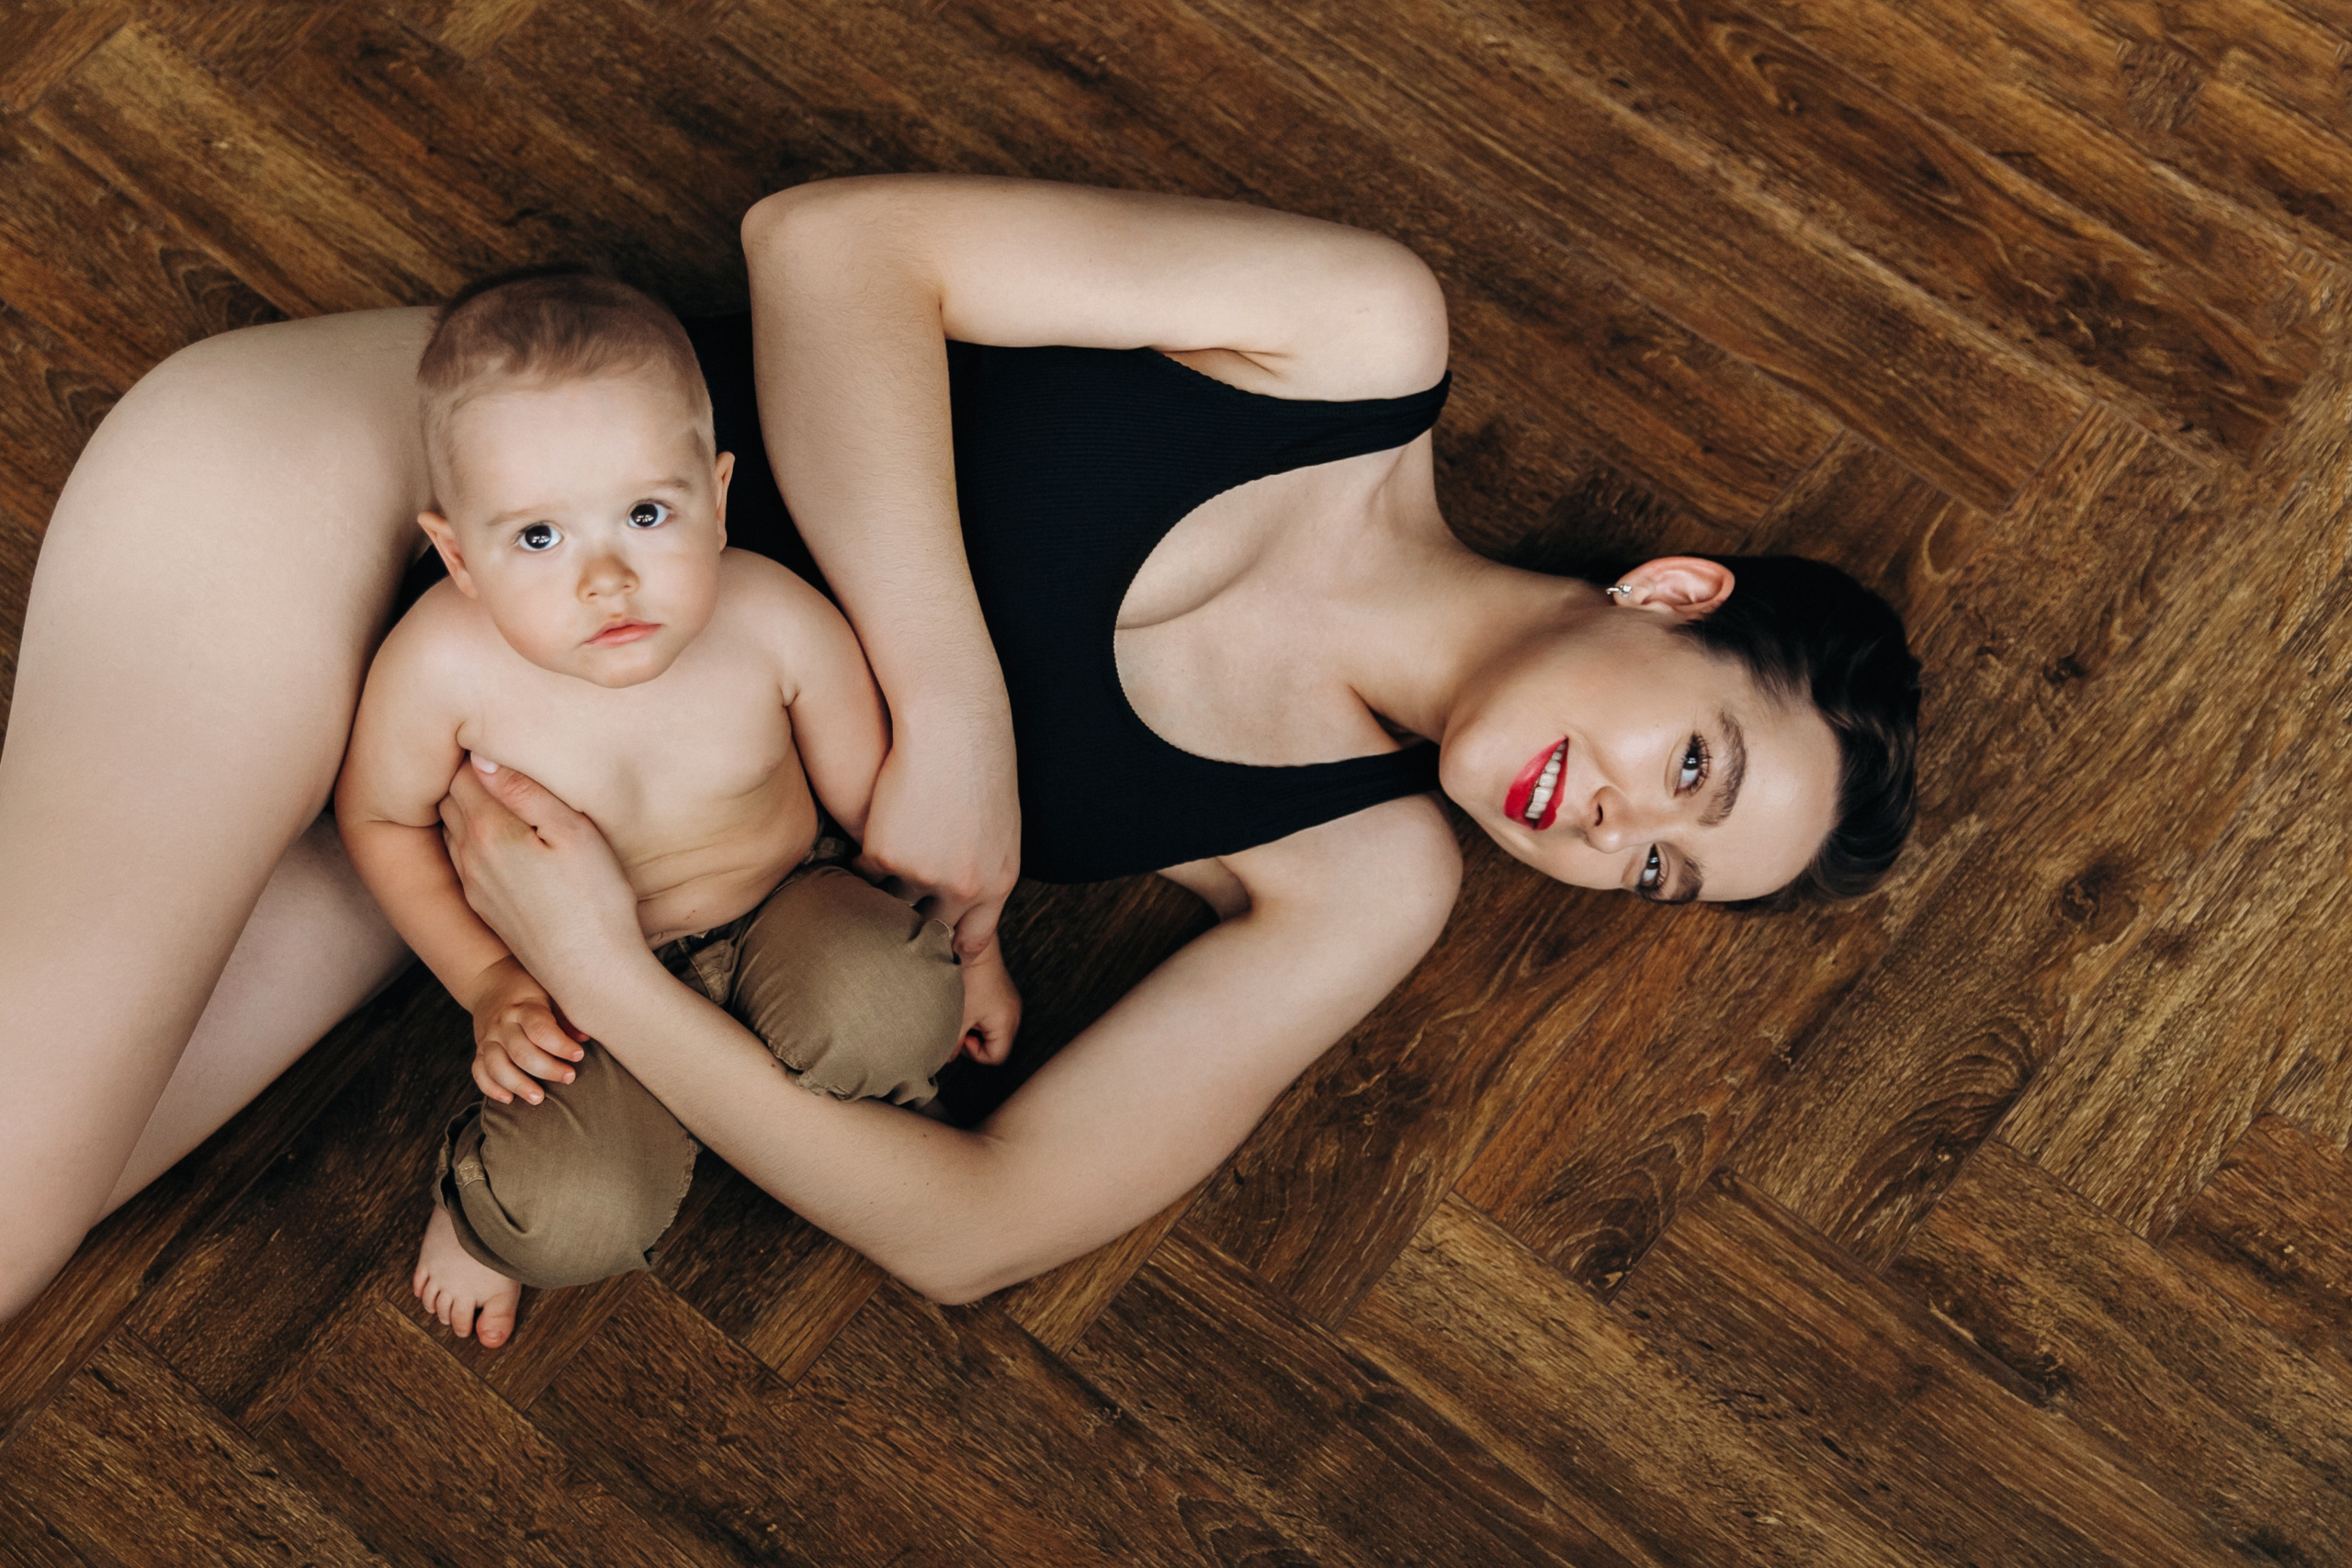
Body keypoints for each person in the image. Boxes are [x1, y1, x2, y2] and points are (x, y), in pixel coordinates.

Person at [0, 175, 1917, 1322]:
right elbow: (828, 245)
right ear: (1672, 595)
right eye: (1693, 770)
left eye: (1658, 867)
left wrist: (599, 980)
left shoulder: (1358, 872)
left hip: (487, 846)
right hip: (366, 504)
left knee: (29, 1216)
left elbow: (976, 1230)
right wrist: (957, 719)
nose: (1606, 831)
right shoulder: (1351, 343)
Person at [334, 267, 1019, 1348]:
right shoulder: (439, 670)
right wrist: (490, 981)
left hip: (785, 915)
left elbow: (889, 824)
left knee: (898, 1007)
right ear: (459, 555)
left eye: (647, 514)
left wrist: (971, 952)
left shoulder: (774, 622)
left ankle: (809, 1078)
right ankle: (481, 1220)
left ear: (718, 494)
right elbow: (379, 822)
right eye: (539, 538)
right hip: (570, 998)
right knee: (559, 1219)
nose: (607, 579)